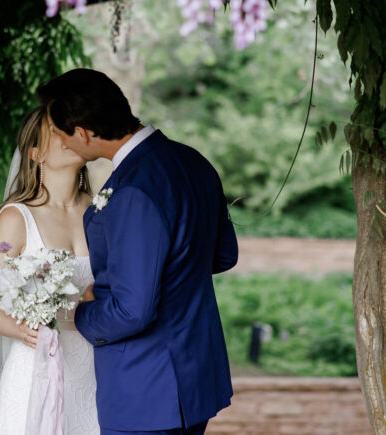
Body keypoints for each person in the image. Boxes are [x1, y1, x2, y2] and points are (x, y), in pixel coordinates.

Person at [37, 68, 238, 435]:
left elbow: (132, 311)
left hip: (147, 387)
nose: (63, 144)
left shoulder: (133, 190)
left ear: (82, 133)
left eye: (62, 135)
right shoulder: (193, 161)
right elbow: (223, 255)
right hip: (195, 377)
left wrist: (82, 312)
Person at [0, 105, 101, 434]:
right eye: (58, 131)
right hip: (36, 371)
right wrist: (23, 330)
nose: (71, 136)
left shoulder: (103, 212)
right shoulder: (15, 220)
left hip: (97, 372)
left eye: (74, 129)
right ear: (35, 152)